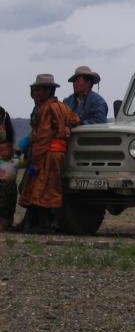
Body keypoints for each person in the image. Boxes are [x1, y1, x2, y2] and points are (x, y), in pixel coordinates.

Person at [18, 74, 80, 233]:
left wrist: (36, 163)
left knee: (41, 189)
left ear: (48, 91)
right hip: (58, 153)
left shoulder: (46, 109)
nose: (35, 94)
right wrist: (67, 128)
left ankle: (44, 225)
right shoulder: (63, 106)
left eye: (38, 90)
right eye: (34, 90)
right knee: (49, 187)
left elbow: (42, 138)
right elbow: (76, 120)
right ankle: (38, 223)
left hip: (47, 153)